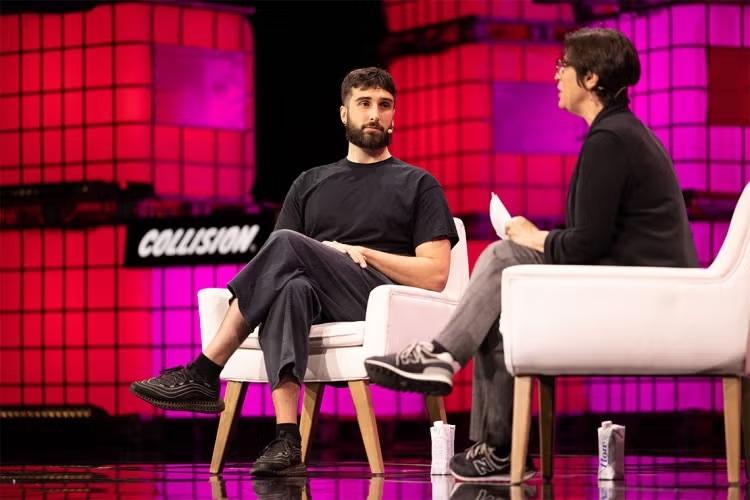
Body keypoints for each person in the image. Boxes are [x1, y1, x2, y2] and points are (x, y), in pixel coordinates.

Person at [364, 28, 698, 482]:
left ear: (592, 77)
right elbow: (592, 241)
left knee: (505, 255)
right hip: (624, 281)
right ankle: (496, 448)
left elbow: (586, 246)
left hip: (641, 293)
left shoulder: (611, 140)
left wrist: (531, 235)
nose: (556, 73)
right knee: (502, 304)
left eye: (565, 65)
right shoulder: (616, 133)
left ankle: (440, 356)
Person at [130, 67, 458, 476]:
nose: (374, 114)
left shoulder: (417, 183)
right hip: (319, 300)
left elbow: (435, 274)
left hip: (377, 299)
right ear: (344, 114)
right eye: (364, 103)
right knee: (289, 290)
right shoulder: (310, 182)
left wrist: (362, 253)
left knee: (286, 243)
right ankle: (287, 440)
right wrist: (321, 256)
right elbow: (277, 267)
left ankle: (205, 370)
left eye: (384, 105)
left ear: (394, 116)